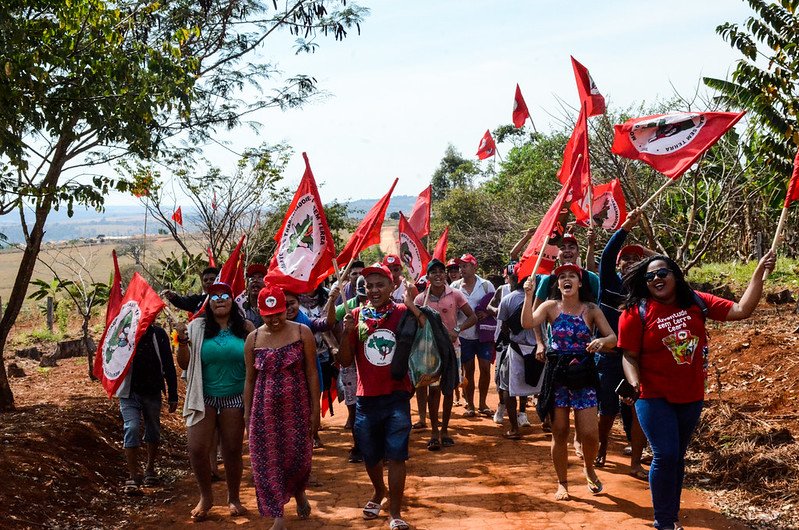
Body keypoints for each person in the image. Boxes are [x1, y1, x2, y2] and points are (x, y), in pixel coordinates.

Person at [619, 251, 775, 530]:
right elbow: (629, 355)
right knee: (665, 454)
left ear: (674, 276)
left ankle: (672, 515)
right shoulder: (636, 312)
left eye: (662, 273)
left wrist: (758, 276)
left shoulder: (697, 301)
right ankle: (664, 521)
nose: (656, 279)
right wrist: (633, 383)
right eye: (650, 276)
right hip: (652, 395)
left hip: (690, 395)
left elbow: (742, 310)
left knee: (677, 457)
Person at [339, 263, 425, 530]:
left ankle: (395, 512)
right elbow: (344, 361)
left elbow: (428, 330)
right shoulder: (355, 315)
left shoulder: (401, 312)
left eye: (380, 285)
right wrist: (347, 331)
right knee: (370, 454)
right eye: (369, 286)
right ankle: (378, 492)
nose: (374, 290)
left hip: (397, 395)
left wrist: (412, 305)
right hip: (366, 398)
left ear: (392, 287)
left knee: (397, 455)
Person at [521, 264, 617, 501]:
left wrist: (601, 342)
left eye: (571, 276)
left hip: (584, 374)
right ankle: (562, 483)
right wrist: (528, 295)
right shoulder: (550, 307)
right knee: (560, 431)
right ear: (558, 284)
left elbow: (613, 338)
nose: (566, 279)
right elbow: (527, 323)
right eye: (562, 277)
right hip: (558, 375)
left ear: (580, 283)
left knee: (589, 434)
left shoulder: (592, 309)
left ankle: (589, 467)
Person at [176, 281, 255, 521]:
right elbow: (184, 364)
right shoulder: (196, 327)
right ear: (208, 303)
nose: (220, 299)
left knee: (231, 450)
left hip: (235, 397)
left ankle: (234, 498)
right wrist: (181, 341)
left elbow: (255, 362)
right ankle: (206, 497)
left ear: (232, 300)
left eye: (225, 295)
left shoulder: (247, 327)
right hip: (204, 397)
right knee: (197, 448)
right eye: (214, 296)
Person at [244, 284, 320, 530]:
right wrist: (247, 416)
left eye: (278, 312)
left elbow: (311, 372)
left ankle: (299, 491)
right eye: (268, 315)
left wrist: (315, 410)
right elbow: (249, 380)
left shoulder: (302, 332)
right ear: (259, 312)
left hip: (297, 408)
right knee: (267, 462)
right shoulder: (253, 339)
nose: (275, 319)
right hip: (263, 411)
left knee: (299, 459)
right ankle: (278, 516)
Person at [596, 208, 651, 478]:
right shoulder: (608, 283)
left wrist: (648, 254)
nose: (629, 262)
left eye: (635, 259)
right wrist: (626, 228)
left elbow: (668, 265)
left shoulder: (649, 290)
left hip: (637, 358)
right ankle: (601, 445)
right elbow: (606, 256)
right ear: (618, 264)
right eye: (625, 258)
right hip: (608, 357)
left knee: (637, 408)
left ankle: (635, 463)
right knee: (607, 409)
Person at [414, 259, 477, 450]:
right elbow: (417, 325)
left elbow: (472, 316)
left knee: (448, 389)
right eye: (434, 272)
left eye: (442, 272)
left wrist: (457, 329)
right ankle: (434, 432)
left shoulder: (455, 294)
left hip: (453, 348)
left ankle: (445, 431)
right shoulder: (420, 299)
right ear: (428, 277)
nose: (439, 275)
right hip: (430, 351)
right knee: (433, 390)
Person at [116, 324, 178, 495]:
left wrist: (173, 393)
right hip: (129, 392)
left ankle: (149, 469)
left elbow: (167, 363)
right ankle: (133, 475)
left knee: (153, 428)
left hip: (152, 391)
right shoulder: (123, 333)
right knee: (131, 427)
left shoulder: (157, 334)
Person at [494, 263, 537, 439]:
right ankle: (547, 421)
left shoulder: (508, 299)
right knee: (540, 387)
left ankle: (514, 428)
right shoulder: (540, 299)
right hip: (538, 348)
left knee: (508, 387)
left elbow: (504, 327)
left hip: (516, 348)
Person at [451, 253, 495, 418]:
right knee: (468, 371)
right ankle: (470, 404)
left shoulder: (486, 285)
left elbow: (494, 303)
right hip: (463, 335)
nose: (462, 269)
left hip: (483, 334)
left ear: (474, 267)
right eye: (461, 266)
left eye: (465, 265)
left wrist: (486, 312)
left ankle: (483, 403)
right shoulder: (455, 286)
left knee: (485, 369)